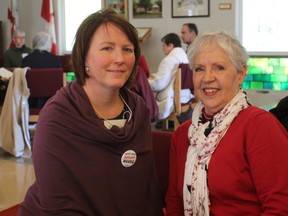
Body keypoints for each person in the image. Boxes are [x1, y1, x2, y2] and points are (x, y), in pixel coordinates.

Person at [18, 9, 163, 216]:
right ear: (84, 56)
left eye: (127, 49)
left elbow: (145, 188)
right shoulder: (58, 117)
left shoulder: (138, 109)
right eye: (107, 48)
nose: (119, 58)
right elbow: (57, 203)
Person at [165, 31, 288, 215]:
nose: (207, 78)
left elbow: (280, 207)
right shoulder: (182, 134)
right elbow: (175, 204)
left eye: (219, 68)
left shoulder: (259, 126)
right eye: (199, 69)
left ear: (241, 73)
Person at [148, 33, 193, 120]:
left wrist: (146, 82)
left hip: (173, 99)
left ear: (171, 45)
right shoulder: (185, 58)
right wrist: (154, 76)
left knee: (143, 97)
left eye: (164, 45)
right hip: (186, 97)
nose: (162, 48)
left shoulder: (169, 60)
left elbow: (159, 84)